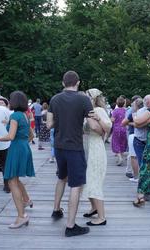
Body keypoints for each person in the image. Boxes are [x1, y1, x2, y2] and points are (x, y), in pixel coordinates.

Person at [47, 71, 102, 237]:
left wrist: (61, 118)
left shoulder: (54, 99)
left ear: (63, 83)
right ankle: (70, 226)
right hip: (75, 147)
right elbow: (92, 126)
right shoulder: (83, 99)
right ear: (78, 82)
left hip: (59, 147)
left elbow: (49, 124)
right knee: (76, 185)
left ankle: (56, 210)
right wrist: (103, 127)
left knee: (61, 177)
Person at [0, 91, 35, 229]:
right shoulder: (24, 115)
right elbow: (31, 134)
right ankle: (26, 202)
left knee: (12, 181)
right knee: (15, 179)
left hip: (16, 148)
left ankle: (21, 216)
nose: (9, 102)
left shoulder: (15, 115)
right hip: (23, 147)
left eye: (10, 99)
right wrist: (23, 143)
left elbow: (10, 136)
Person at [82, 88, 112, 226]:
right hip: (87, 147)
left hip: (96, 148)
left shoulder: (98, 110)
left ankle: (102, 217)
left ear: (93, 98)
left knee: (94, 180)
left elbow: (108, 127)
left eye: (87, 96)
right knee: (88, 179)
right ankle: (94, 208)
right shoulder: (88, 111)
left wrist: (98, 118)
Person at [122, 96, 143, 182]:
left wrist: (133, 123)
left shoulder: (133, 113)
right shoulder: (147, 112)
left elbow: (123, 123)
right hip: (145, 136)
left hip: (133, 134)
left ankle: (136, 177)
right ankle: (143, 176)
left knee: (133, 157)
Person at [111, 96, 127, 166]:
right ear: (124, 103)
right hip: (124, 128)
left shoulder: (115, 111)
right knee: (122, 142)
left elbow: (112, 120)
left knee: (116, 142)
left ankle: (119, 157)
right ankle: (122, 155)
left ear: (117, 103)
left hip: (116, 129)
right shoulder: (125, 110)